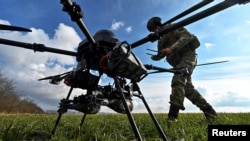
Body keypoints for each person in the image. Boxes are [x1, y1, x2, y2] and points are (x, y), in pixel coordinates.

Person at [146, 17, 217, 122]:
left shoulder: (171, 27)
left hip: (188, 56)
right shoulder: (160, 39)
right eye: (153, 31)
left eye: (154, 29)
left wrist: (171, 49)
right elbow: (161, 54)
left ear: (157, 26)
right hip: (177, 63)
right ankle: (211, 114)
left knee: (178, 79)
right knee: (188, 90)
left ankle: (172, 118)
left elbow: (187, 36)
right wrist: (156, 57)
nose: (155, 32)